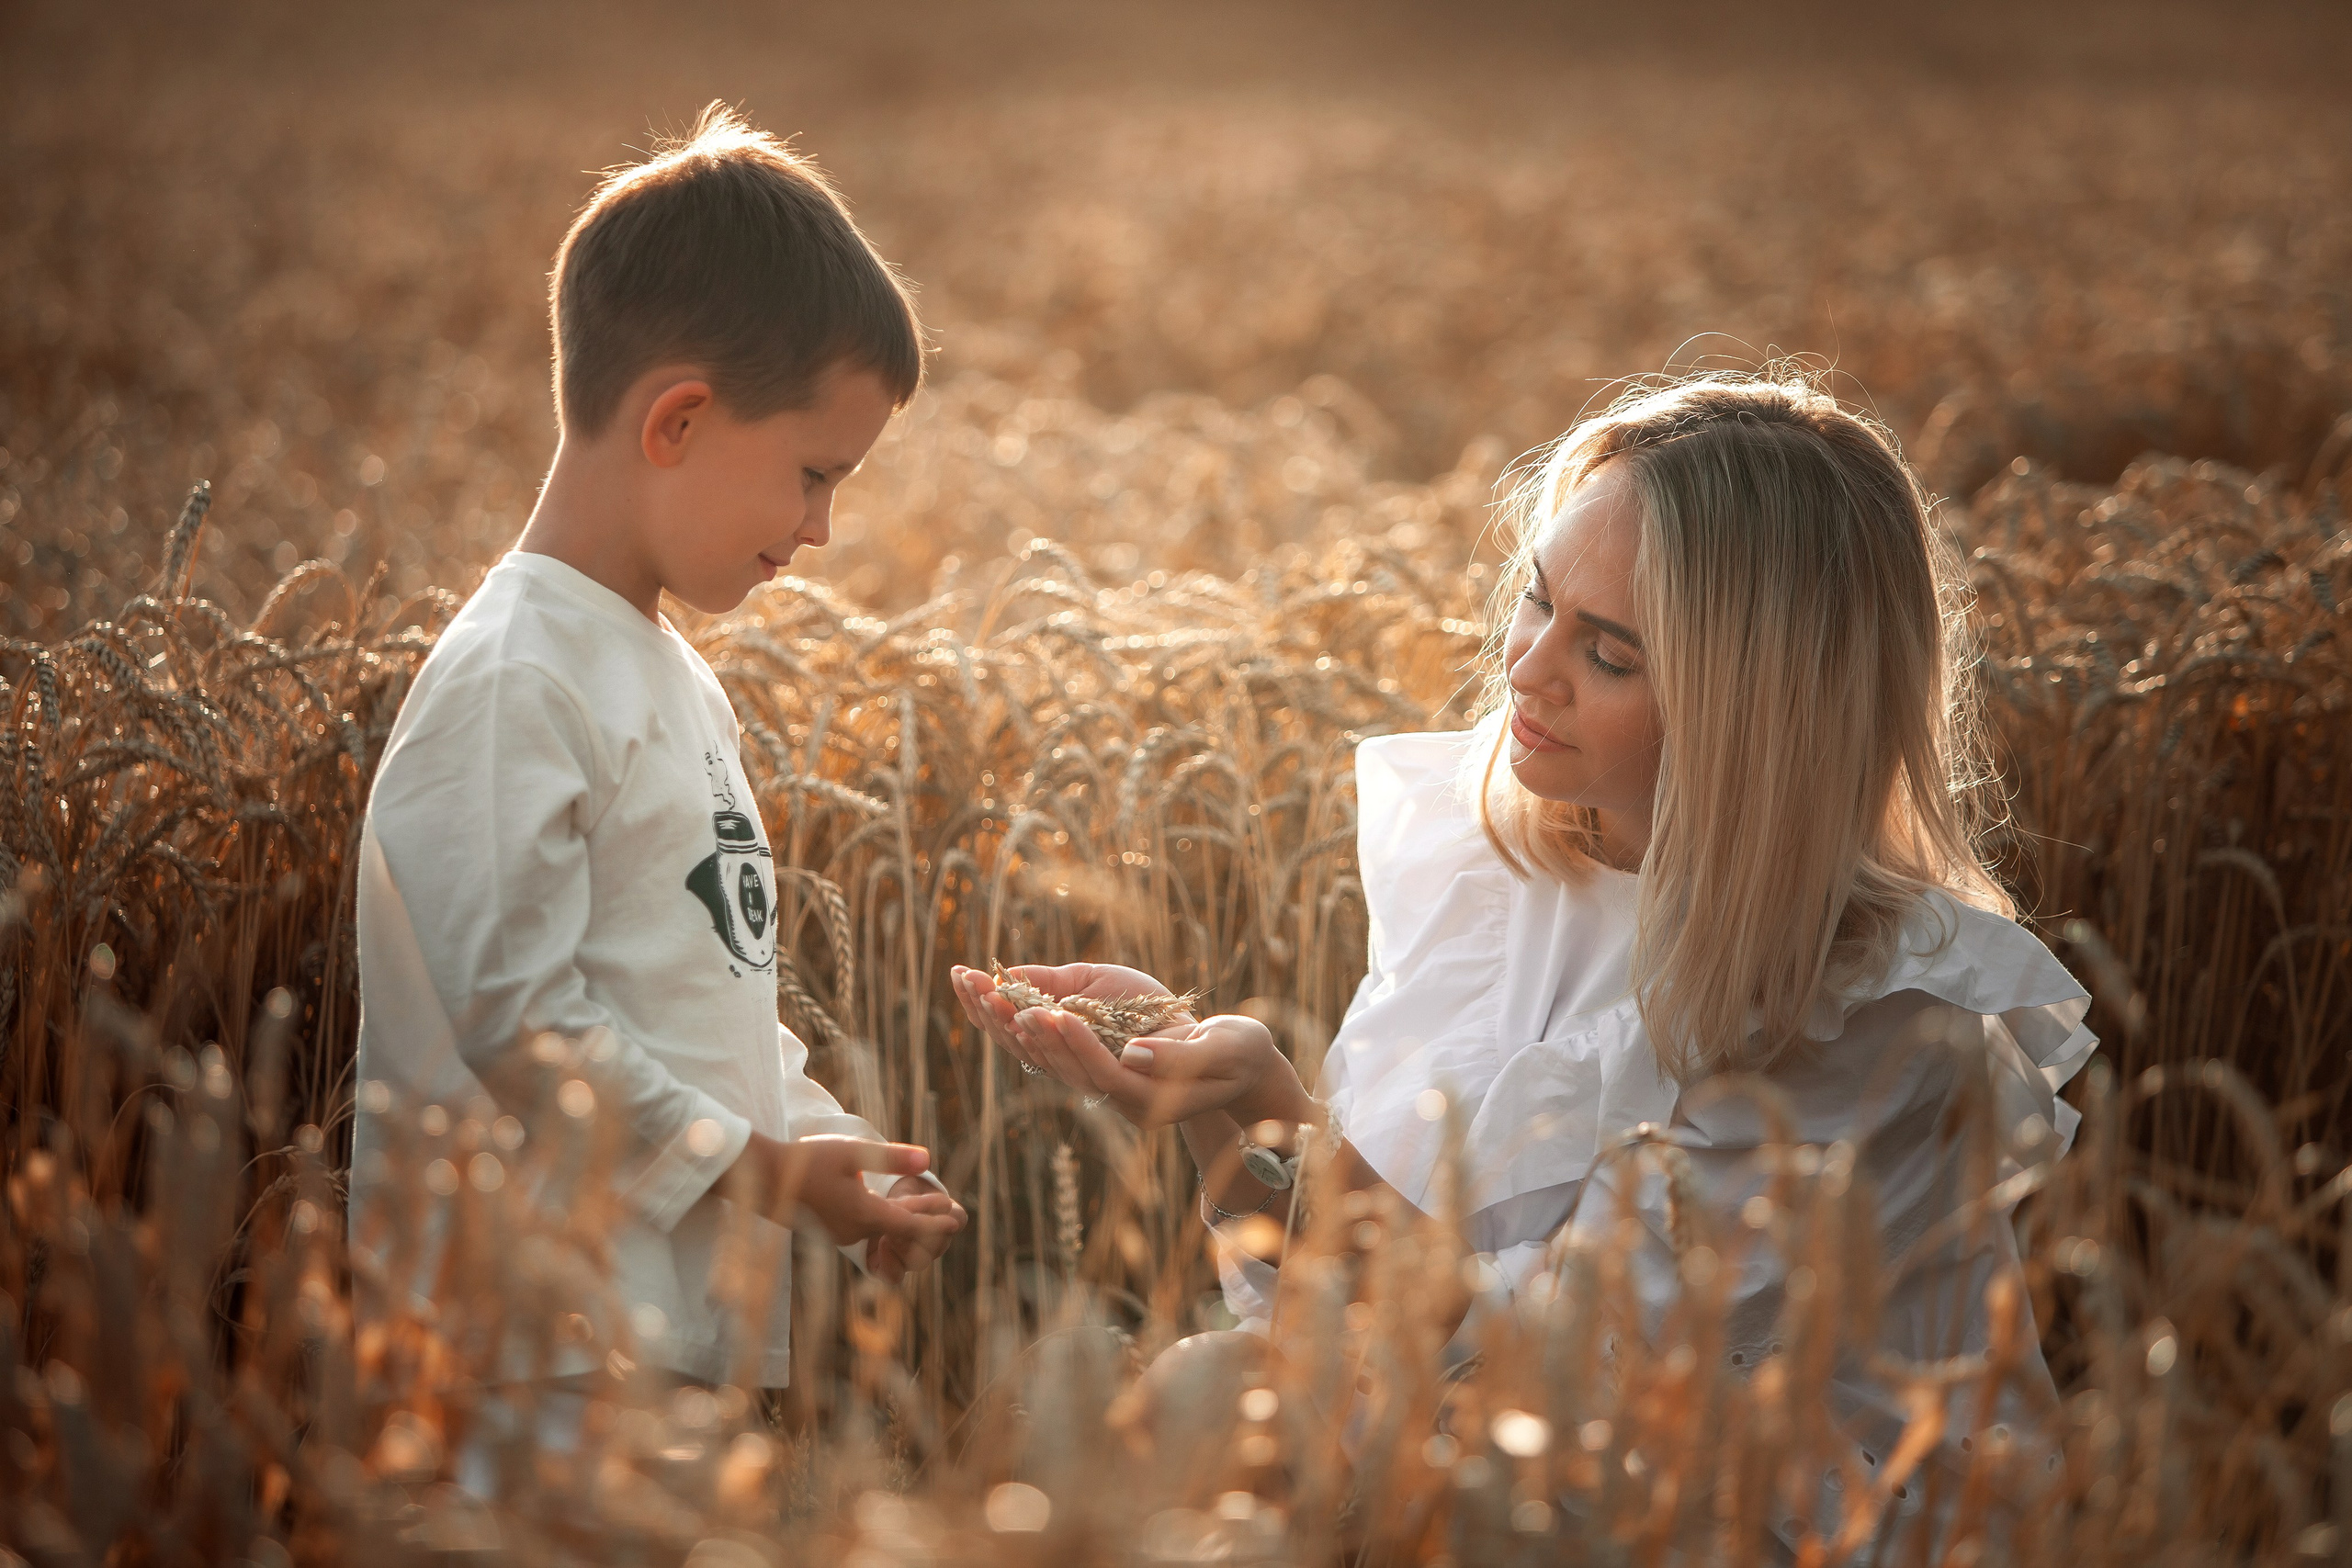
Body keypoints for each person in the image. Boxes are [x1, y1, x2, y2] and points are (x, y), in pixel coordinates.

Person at [952, 372, 2094, 1546]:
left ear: (1750, 709)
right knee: (1134, 1402)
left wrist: (1269, 1099)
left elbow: (1537, 1394)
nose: (1527, 668)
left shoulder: (1873, 1023)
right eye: (1536, 603)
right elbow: (1316, 1303)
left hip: (1735, 1521)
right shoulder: (1499, 879)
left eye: (1607, 654)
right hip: (1489, 1478)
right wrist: (1220, 1099)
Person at [350, 106, 966, 1464]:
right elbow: (520, 1020)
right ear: (679, 417)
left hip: (667, 1324)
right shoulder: (517, 674)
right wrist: (765, 1173)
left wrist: (830, 1147)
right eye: (814, 475)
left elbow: (708, 987)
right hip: (524, 1337)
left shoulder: (673, 676)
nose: (820, 529)